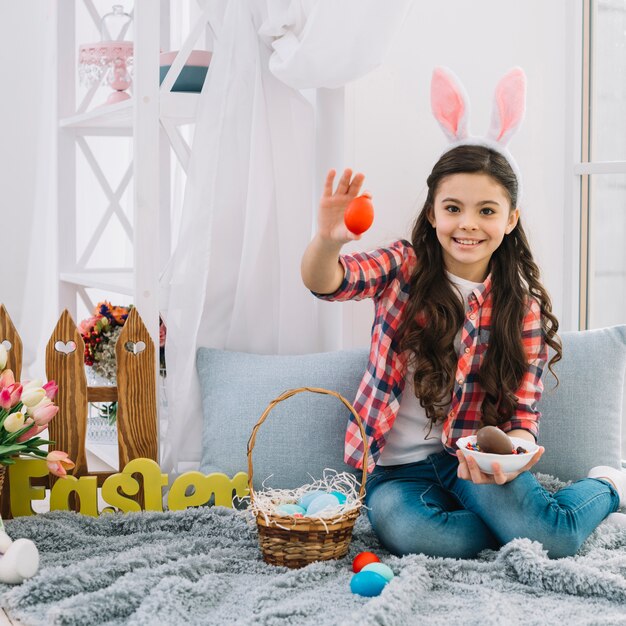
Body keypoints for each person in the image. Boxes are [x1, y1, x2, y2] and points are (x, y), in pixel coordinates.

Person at [300, 67, 626, 559]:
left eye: (487, 211)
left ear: (511, 219)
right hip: (395, 474)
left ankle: (608, 486)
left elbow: (521, 417)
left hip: (473, 464)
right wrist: (327, 241)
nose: (467, 224)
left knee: (555, 537)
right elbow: (328, 282)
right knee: (413, 535)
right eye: (453, 208)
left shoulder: (521, 309)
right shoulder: (401, 267)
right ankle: (518, 524)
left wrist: (510, 455)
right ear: (432, 212)